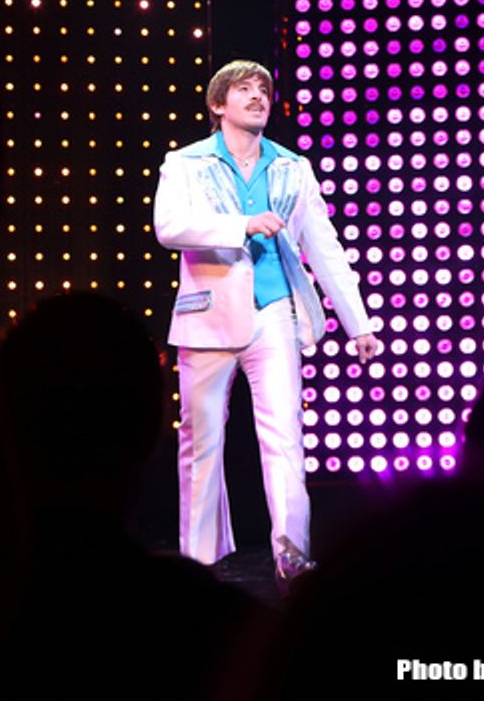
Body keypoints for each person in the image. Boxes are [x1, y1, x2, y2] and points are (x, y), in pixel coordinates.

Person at [154, 59, 378, 587]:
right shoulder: (185, 163)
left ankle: (292, 556)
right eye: (244, 89)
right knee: (201, 439)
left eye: (264, 90)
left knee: (284, 436)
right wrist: (241, 225)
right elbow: (169, 226)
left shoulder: (291, 167)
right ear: (218, 105)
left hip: (274, 312)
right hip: (207, 317)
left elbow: (323, 247)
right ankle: (199, 562)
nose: (257, 97)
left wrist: (358, 322)